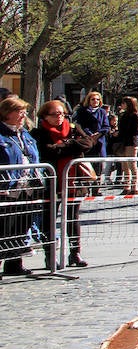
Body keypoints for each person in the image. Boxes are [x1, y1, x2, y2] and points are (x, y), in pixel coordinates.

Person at [34, 100, 94, 269]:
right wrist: (70, 147)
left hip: (74, 181)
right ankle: (50, 256)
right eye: (54, 114)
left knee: (73, 218)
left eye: (61, 113)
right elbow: (47, 150)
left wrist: (66, 144)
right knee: (50, 220)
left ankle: (75, 253)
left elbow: (88, 143)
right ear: (45, 116)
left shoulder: (73, 128)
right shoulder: (39, 132)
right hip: (52, 182)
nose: (59, 117)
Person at [0, 97, 45, 277]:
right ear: (7, 113)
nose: (23, 115)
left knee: (21, 226)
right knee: (3, 228)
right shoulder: (2, 134)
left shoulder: (24, 133)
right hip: (7, 187)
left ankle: (14, 263)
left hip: (27, 187)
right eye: (19, 112)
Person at [74, 91, 111, 180]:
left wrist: (98, 134)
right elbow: (80, 125)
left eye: (98, 99)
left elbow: (106, 126)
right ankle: (86, 187)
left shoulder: (102, 112)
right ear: (89, 100)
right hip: (87, 140)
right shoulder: (82, 111)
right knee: (87, 166)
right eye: (93, 99)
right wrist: (89, 134)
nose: (95, 101)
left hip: (99, 141)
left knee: (98, 167)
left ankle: (96, 188)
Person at [112, 96, 138, 196]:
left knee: (132, 164)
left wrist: (122, 132)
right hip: (123, 142)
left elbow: (136, 130)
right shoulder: (123, 115)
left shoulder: (136, 116)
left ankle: (135, 186)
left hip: (131, 142)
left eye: (124, 103)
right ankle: (127, 186)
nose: (122, 105)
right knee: (124, 165)